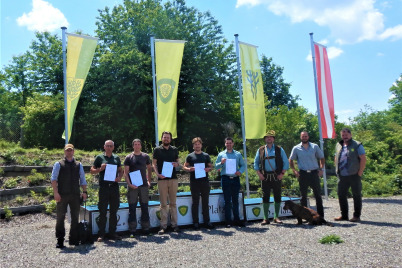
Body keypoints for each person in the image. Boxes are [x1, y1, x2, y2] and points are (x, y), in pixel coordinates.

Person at [51, 144, 87, 248]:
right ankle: (60, 239)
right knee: (60, 217)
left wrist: (84, 192)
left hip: (75, 195)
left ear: (73, 151)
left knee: (75, 217)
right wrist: (55, 192)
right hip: (62, 195)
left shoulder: (79, 164)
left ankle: (74, 239)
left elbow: (83, 179)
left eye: (71, 150)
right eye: (67, 150)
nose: (69, 152)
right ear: (64, 152)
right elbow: (54, 179)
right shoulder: (58, 164)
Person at [90, 140, 123, 241]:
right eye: (107, 146)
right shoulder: (99, 157)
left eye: (111, 146)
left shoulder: (116, 157)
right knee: (102, 211)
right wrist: (100, 169)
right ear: (104, 147)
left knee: (114, 211)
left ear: (113, 147)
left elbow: (121, 170)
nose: (109, 147)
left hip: (114, 187)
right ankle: (101, 234)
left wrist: (119, 178)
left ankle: (112, 233)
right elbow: (91, 171)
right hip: (103, 187)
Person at [254, 130, 289, 224]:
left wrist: (282, 174)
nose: (269, 138)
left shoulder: (279, 149)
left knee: (277, 196)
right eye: (267, 137)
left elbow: (286, 162)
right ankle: (265, 218)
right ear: (265, 139)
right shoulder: (260, 149)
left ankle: (276, 217)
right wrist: (259, 174)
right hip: (265, 177)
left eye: (271, 137)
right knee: (265, 196)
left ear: (273, 139)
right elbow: (256, 163)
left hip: (276, 176)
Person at [289, 131, 325, 217]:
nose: (304, 137)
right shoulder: (296, 148)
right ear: (300, 137)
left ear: (308, 137)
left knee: (318, 195)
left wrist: (321, 168)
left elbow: (322, 158)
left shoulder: (315, 146)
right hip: (303, 174)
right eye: (303, 136)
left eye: (305, 136)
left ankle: (320, 216)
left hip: (314, 173)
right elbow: (291, 160)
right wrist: (294, 170)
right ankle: (305, 216)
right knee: (303, 196)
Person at [334, 128, 366, 222]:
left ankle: (356, 216)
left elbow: (363, 159)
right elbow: (336, 157)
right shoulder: (338, 145)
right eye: (343, 135)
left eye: (346, 135)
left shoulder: (357, 145)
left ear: (350, 135)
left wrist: (360, 172)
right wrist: (337, 169)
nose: (345, 137)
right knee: (341, 194)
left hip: (354, 174)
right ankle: (344, 215)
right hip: (342, 175)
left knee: (356, 195)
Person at [183, 137, 214, 230]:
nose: (197, 145)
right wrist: (189, 169)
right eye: (195, 144)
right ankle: (195, 222)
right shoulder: (190, 156)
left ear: (201, 145)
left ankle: (207, 221)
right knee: (195, 202)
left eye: (199, 144)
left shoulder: (206, 156)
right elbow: (184, 167)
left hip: (204, 181)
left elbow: (211, 167)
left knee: (205, 202)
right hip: (194, 182)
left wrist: (209, 169)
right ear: (193, 146)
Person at [153, 131, 180, 234]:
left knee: (173, 203)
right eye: (164, 137)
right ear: (162, 138)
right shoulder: (157, 150)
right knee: (163, 204)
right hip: (162, 179)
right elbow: (154, 164)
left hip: (173, 179)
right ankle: (163, 226)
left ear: (170, 139)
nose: (166, 139)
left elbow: (178, 163)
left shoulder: (174, 149)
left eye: (168, 138)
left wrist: (176, 164)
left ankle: (174, 225)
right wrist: (157, 174)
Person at [123, 139, 152, 236]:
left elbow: (149, 169)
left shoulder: (146, 156)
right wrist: (129, 184)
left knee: (144, 206)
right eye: (135, 144)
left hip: (143, 186)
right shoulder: (128, 157)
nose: (137, 146)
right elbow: (125, 173)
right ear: (133, 146)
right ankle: (132, 230)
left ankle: (146, 228)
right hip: (133, 186)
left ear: (141, 146)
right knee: (132, 207)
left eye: (138, 144)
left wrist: (149, 181)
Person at [215, 137, 246, 227]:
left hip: (235, 179)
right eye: (227, 143)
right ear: (225, 144)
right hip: (225, 179)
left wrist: (240, 171)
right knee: (227, 200)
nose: (228, 144)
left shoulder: (238, 154)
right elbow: (216, 167)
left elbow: (243, 165)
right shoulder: (221, 154)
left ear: (233, 144)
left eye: (230, 143)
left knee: (235, 200)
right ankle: (228, 221)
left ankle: (237, 220)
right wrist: (221, 163)